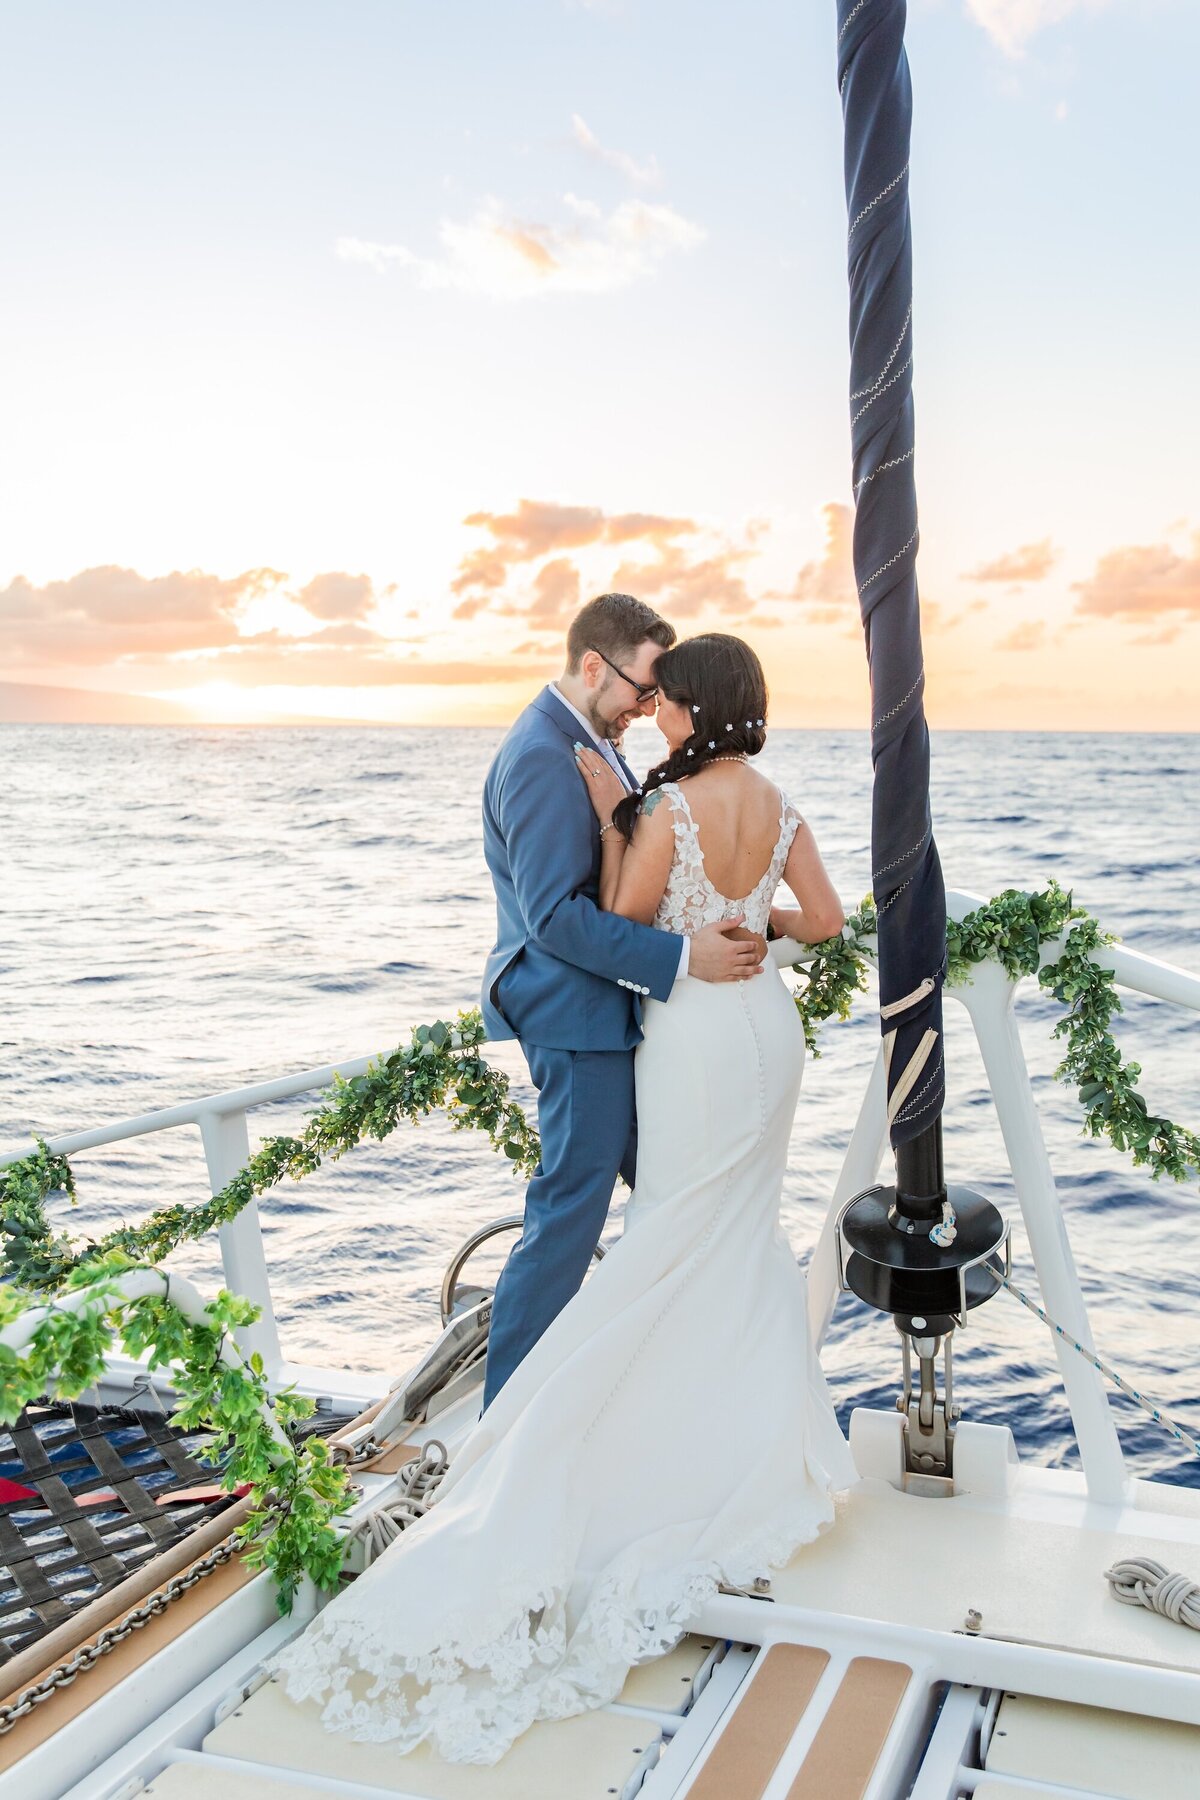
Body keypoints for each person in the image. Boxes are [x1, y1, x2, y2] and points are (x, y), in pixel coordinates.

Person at [270, 627, 856, 1765]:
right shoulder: (777, 800)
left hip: (689, 1033)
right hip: (765, 1035)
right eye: (648, 689)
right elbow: (825, 922)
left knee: (662, 1234)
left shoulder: (665, 807)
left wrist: (640, 847)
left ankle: (537, 1430)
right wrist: (763, 930)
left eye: (667, 697)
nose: (655, 712)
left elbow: (619, 921)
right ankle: (734, 1440)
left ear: (691, 704)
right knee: (737, 1236)